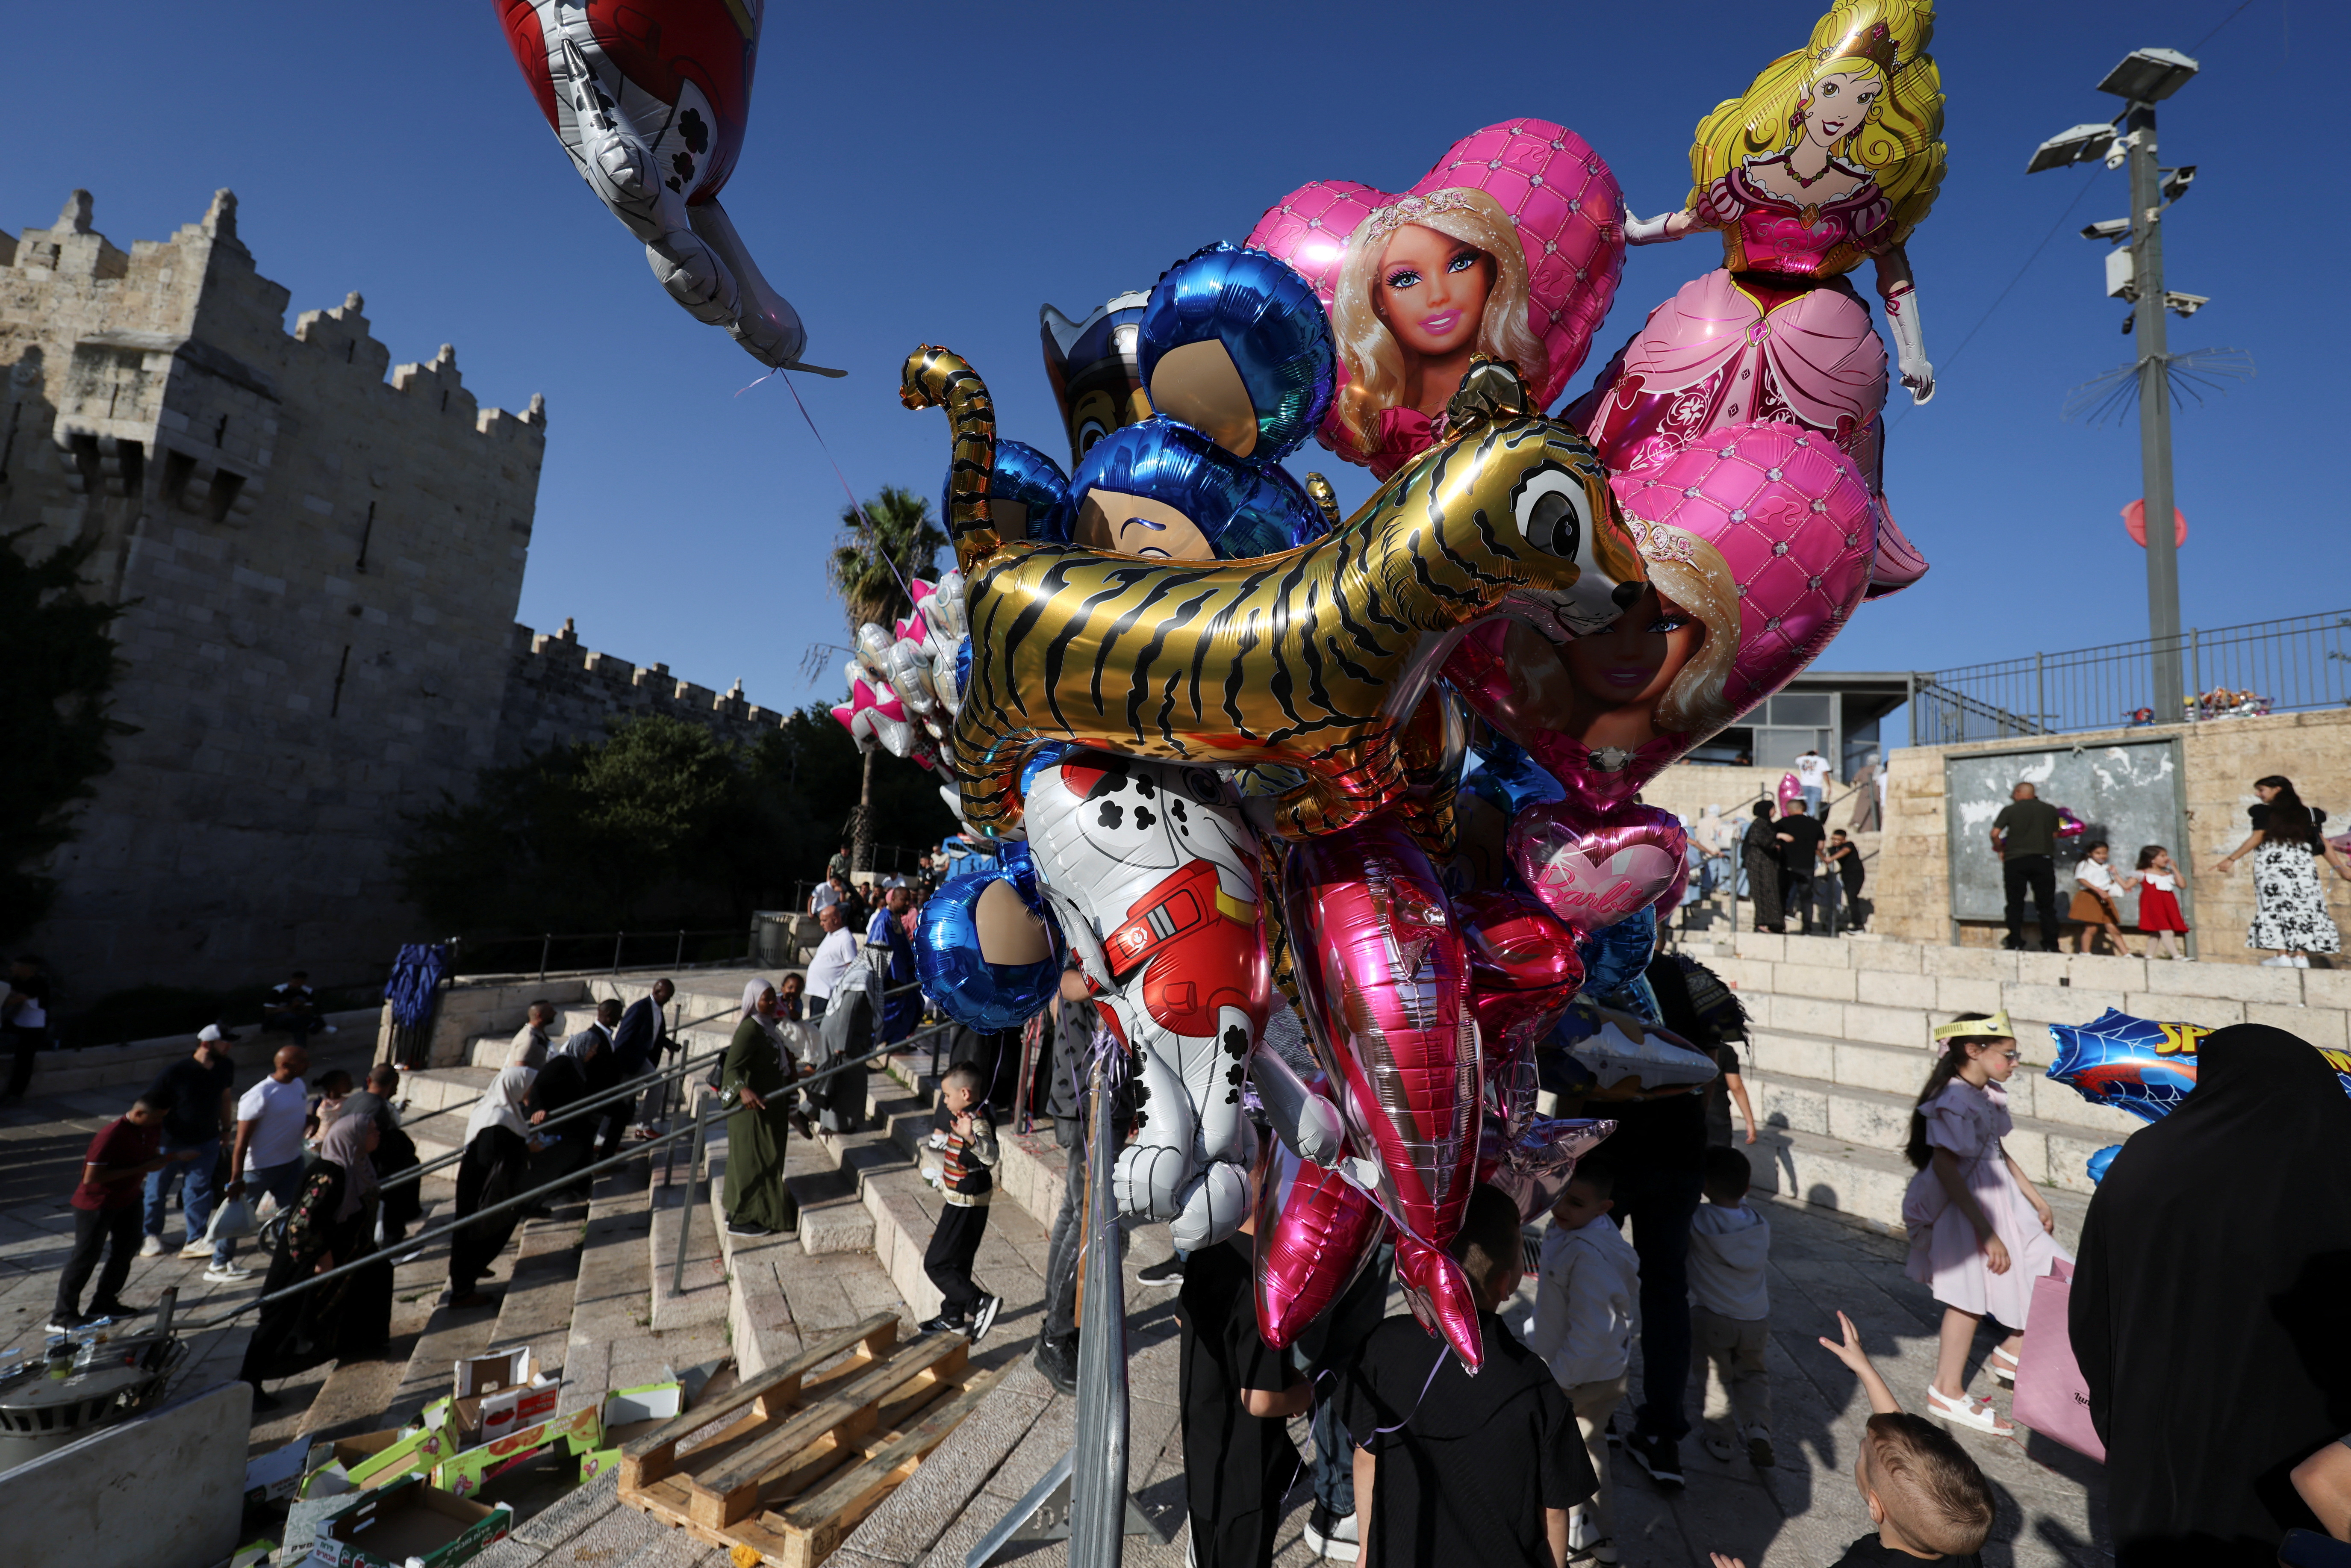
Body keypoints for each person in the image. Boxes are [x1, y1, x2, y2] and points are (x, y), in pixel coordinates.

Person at [1576, 0, 1945, 598]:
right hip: (1725, 304)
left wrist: (1914, 354)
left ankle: (1835, 530)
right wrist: (1636, 231)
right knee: (1648, 372)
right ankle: (1594, 484)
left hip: (1821, 323)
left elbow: (1893, 268)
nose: (1843, 112)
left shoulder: (1864, 200)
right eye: (1834, 93)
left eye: (1861, 103)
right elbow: (1692, 219)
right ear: (1805, 97)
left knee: (1840, 412)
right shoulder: (1746, 177)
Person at [2073, 1024, 2351, 1568]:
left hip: (2158, 1430)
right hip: (2285, 1452)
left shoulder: (2146, 1156)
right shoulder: (2331, 1172)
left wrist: (2120, 1414)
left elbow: (2091, 1309)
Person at [1345, 1183, 1592, 1568]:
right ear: (1507, 1283)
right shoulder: (1535, 1383)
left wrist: (1366, 1550)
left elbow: (1366, 1457)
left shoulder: (1382, 1345)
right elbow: (1555, 1511)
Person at [1711, 1311, 1995, 1568]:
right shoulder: (1959, 1545)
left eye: (1862, 1455)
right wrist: (1866, 1371)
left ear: (1875, 1506)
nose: (1860, 1452)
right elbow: (1902, 1447)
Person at [1898, 1011, 2067, 1432]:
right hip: (1967, 1206)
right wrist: (1987, 1232)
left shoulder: (1986, 1093)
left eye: (2016, 1055)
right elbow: (1947, 1168)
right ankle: (1946, 1389)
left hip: (2002, 1199)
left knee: (2059, 1275)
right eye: (2008, 1055)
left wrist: (2035, 1197)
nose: (2015, 1063)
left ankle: (2010, 1352)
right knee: (1968, 1297)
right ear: (1973, 1051)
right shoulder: (1953, 1099)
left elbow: (1995, 1149)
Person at [1326, 186, 1553, 480]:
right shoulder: (1385, 424)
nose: (1438, 297)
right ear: (1379, 299)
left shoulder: (1518, 381)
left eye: (1460, 264)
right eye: (1406, 279)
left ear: (1492, 271)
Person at [1179, 1161, 1311, 1568]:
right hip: (1245, 1470)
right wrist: (1301, 1393)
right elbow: (1258, 1400)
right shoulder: (1265, 1283)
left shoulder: (1206, 1249)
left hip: (1203, 1453)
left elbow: (1182, 1316)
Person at [238, 1114, 394, 1409]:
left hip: (344, 1256)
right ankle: (249, 1385)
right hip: (305, 1261)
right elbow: (301, 1226)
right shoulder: (329, 1175)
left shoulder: (359, 1165)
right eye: (371, 1131)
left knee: (377, 1274)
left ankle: (359, 1345)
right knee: (281, 1317)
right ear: (354, 1137)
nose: (378, 1135)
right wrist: (323, 1257)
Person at [1530, 1167, 1641, 1566]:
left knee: (1584, 1456)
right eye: (1558, 1197)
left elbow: (1593, 1331)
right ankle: (1586, 1529)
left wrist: (1560, 1377)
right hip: (1577, 1369)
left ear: (1604, 1208)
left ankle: (1593, 1533)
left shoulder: (1589, 1255)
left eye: (1575, 1203)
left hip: (1584, 1378)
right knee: (1578, 1452)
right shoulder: (1571, 1234)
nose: (1561, 1208)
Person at [52, 1093, 197, 1331]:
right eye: (158, 1117)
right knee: (86, 1256)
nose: (161, 1122)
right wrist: (143, 1168)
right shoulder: (110, 1135)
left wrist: (170, 1158)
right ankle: (62, 1315)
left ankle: (105, 1302)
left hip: (129, 1198)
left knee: (127, 1248)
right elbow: (91, 1178)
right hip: (97, 1203)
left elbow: (147, 1157)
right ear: (139, 1114)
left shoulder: (149, 1128)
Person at [1688, 1147, 1774, 1468]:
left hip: (1713, 1316)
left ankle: (1721, 1439)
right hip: (1756, 1319)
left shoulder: (1699, 1220)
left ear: (1704, 1185)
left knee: (1716, 1377)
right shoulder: (1759, 1223)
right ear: (1748, 1188)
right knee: (1753, 1374)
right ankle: (1758, 1427)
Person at [2214, 775, 2349, 967]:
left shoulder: (2263, 813)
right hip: (2302, 864)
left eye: (2262, 790)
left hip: (2273, 863)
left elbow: (2258, 836)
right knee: (2305, 906)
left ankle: (2282, 954)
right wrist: (2341, 869)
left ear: (2277, 789)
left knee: (2275, 905)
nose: (2258, 794)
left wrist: (2231, 859)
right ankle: (2300, 956)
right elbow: (2322, 842)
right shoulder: (2311, 814)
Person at [918, 1061, 1004, 1339]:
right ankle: (953, 1317)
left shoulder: (977, 1120)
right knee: (959, 1263)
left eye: (947, 1095)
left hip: (965, 1203)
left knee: (937, 1263)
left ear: (965, 1094)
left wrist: (970, 1139)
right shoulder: (968, 1115)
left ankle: (979, 1302)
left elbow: (991, 1156)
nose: (944, 1101)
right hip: (964, 1198)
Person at [140, 1022, 240, 1259]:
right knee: (157, 1190)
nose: (229, 1047)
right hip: (171, 1141)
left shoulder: (226, 1067)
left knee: (199, 1190)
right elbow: (150, 1106)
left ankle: (195, 1238)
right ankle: (151, 1235)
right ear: (206, 1044)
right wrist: (150, 1141)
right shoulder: (176, 1072)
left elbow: (225, 1098)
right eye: (224, 1042)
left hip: (206, 1139)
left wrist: (226, 1130)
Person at [216, 1043, 312, 1282]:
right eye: (303, 1062)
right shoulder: (260, 1095)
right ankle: (219, 1263)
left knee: (291, 1213)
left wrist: (311, 1121)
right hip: (259, 1168)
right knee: (236, 1215)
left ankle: (289, 1257)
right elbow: (241, 1142)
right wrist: (236, 1177)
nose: (308, 1066)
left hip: (291, 1162)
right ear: (285, 1065)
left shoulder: (299, 1085)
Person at [448, 1062, 535, 1309]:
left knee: (472, 1230)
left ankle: (470, 1274)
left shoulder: (493, 1108)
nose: (531, 1092)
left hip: (474, 1182)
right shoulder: (499, 1118)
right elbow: (491, 1154)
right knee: (477, 1230)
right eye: (529, 1088)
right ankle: (463, 1292)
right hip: (481, 1187)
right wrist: (527, 1149)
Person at [722, 979, 804, 1238]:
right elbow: (731, 1068)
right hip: (752, 1111)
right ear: (753, 1000)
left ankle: (747, 1211)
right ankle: (745, 1217)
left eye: (773, 997)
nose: (771, 1002)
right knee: (753, 1163)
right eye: (766, 999)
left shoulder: (767, 1026)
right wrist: (743, 1090)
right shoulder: (750, 1029)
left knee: (764, 1159)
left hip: (769, 1108)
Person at [341, 1063, 422, 1246]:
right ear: (395, 1083)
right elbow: (377, 1148)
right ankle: (390, 1244)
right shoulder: (378, 1110)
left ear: (369, 1081)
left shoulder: (355, 1100)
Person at [1989, 781, 2062, 952]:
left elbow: (1995, 834)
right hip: (2043, 860)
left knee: (2015, 903)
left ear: (2018, 793)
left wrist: (2001, 849)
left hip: (2016, 860)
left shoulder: (2010, 810)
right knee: (2046, 905)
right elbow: (2055, 834)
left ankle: (2015, 942)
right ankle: (2051, 944)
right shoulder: (2050, 809)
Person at [604, 979, 673, 1157]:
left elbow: (654, 1032)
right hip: (630, 1060)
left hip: (641, 1059)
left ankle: (644, 1127)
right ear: (656, 991)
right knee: (622, 1100)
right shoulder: (640, 1008)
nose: (668, 1001)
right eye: (666, 997)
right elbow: (623, 1037)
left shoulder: (657, 1009)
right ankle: (603, 1139)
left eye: (670, 998)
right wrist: (620, 1065)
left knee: (648, 1088)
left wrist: (668, 1044)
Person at [868, 885, 922, 1044]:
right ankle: (872, 1042)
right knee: (892, 1013)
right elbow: (882, 950)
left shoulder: (894, 919)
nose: (908, 904)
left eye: (909, 901)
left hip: (905, 977)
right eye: (904, 900)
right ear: (892, 899)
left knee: (913, 1007)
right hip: (893, 981)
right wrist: (894, 979)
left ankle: (897, 1042)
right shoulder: (884, 920)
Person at [2, 953, 53, 1104]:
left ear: (26, 969)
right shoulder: (16, 980)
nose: (11, 968)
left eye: (15, 966)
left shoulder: (37, 983)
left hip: (34, 1026)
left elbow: (12, 1000)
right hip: (17, 1021)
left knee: (24, 1059)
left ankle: (15, 1094)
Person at [2068, 841, 2133, 956]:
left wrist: (2115, 877)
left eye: (2104, 853)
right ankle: (2085, 952)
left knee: (2113, 928)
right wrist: (2098, 890)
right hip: (2090, 897)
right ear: (2090, 853)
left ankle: (2126, 954)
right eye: (2098, 853)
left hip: (2105, 899)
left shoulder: (2107, 867)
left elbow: (2110, 882)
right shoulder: (2084, 864)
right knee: (2091, 928)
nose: (2102, 856)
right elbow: (2081, 879)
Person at [1776, 799, 1830, 935]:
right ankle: (1807, 929)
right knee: (1806, 899)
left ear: (1788, 810)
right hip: (1807, 866)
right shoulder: (1816, 824)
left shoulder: (1782, 824)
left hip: (1786, 865)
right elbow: (1821, 846)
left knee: (1783, 897)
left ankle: (1779, 926)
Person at [2133, 845, 2192, 961]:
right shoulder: (2143, 874)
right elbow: (2127, 885)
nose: (2167, 858)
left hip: (2168, 906)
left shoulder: (2167, 875)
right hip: (2154, 906)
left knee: (2157, 933)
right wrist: (2116, 876)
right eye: (2163, 856)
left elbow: (2183, 885)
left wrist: (2175, 869)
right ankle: (2177, 956)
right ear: (2153, 859)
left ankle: (2148, 957)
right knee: (2166, 931)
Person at [804, 904, 859, 1022]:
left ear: (835, 920)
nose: (821, 924)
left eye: (824, 921)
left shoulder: (846, 940)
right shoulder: (831, 935)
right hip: (817, 992)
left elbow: (852, 967)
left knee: (818, 1027)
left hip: (826, 994)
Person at [263, 970, 336, 1046]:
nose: (295, 985)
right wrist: (291, 1008)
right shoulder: (278, 991)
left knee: (299, 1026)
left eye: (298, 983)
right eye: (294, 982)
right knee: (292, 1017)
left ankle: (301, 1052)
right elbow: (269, 1012)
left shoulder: (307, 992)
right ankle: (315, 1024)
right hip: (278, 1019)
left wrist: (299, 1007)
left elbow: (307, 1010)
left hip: (297, 1019)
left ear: (303, 982)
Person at [1742, 801, 1784, 933]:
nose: (1775, 812)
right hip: (1759, 862)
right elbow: (1757, 839)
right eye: (1773, 809)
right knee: (1762, 892)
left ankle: (1774, 923)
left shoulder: (1766, 824)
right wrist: (1776, 838)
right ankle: (1762, 923)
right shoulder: (1759, 823)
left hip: (1766, 862)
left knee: (1770, 891)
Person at [1827, 828, 1868, 931]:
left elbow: (1845, 851)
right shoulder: (1833, 849)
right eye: (1833, 839)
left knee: (1852, 896)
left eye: (1838, 840)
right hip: (1846, 875)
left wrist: (1832, 858)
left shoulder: (1849, 845)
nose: (1835, 842)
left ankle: (1858, 925)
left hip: (1856, 874)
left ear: (1844, 840)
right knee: (1850, 897)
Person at [508, 999, 558, 1070]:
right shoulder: (529, 1039)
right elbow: (520, 1071)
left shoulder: (538, 1033)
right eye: (550, 1011)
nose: (555, 1013)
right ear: (539, 1016)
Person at [1849, 750, 1883, 833]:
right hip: (1877, 793)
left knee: (1862, 810)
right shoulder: (1880, 769)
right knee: (1875, 812)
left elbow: (1855, 779)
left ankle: (1859, 825)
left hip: (1864, 793)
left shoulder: (1863, 770)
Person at [1794, 747, 1831, 815]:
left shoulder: (1803, 759)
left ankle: (1806, 819)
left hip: (1804, 785)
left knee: (1805, 805)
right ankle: (1811, 820)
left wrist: (1808, 753)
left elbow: (1797, 758)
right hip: (1816, 785)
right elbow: (1825, 774)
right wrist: (1829, 786)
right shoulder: (1822, 760)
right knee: (1814, 806)